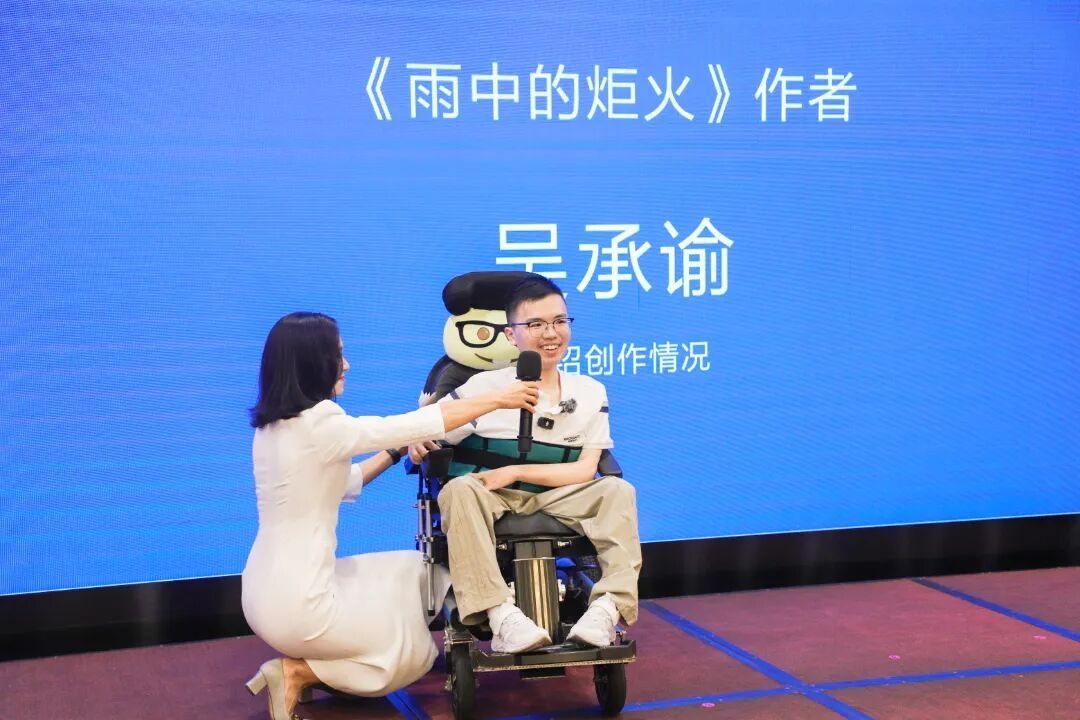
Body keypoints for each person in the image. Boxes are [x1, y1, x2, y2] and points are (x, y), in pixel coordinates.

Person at [241, 311, 539, 720]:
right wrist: (501, 398)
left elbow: (350, 478)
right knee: (413, 654)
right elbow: (413, 422)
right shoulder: (321, 422)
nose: (346, 365)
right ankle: (299, 672)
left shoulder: (275, 427)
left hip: (263, 590)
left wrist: (400, 449)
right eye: (338, 355)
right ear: (312, 363)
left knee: (417, 569)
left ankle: (314, 665)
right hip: (299, 603)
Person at [410, 276, 642, 655]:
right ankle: (502, 617)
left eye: (559, 321)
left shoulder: (590, 391)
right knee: (458, 489)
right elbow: (428, 427)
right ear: (511, 335)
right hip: (492, 497)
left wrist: (517, 471)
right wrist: (419, 438)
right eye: (535, 324)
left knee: (617, 490)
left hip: (560, 496)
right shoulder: (482, 387)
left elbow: (586, 470)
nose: (550, 333)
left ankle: (605, 610)